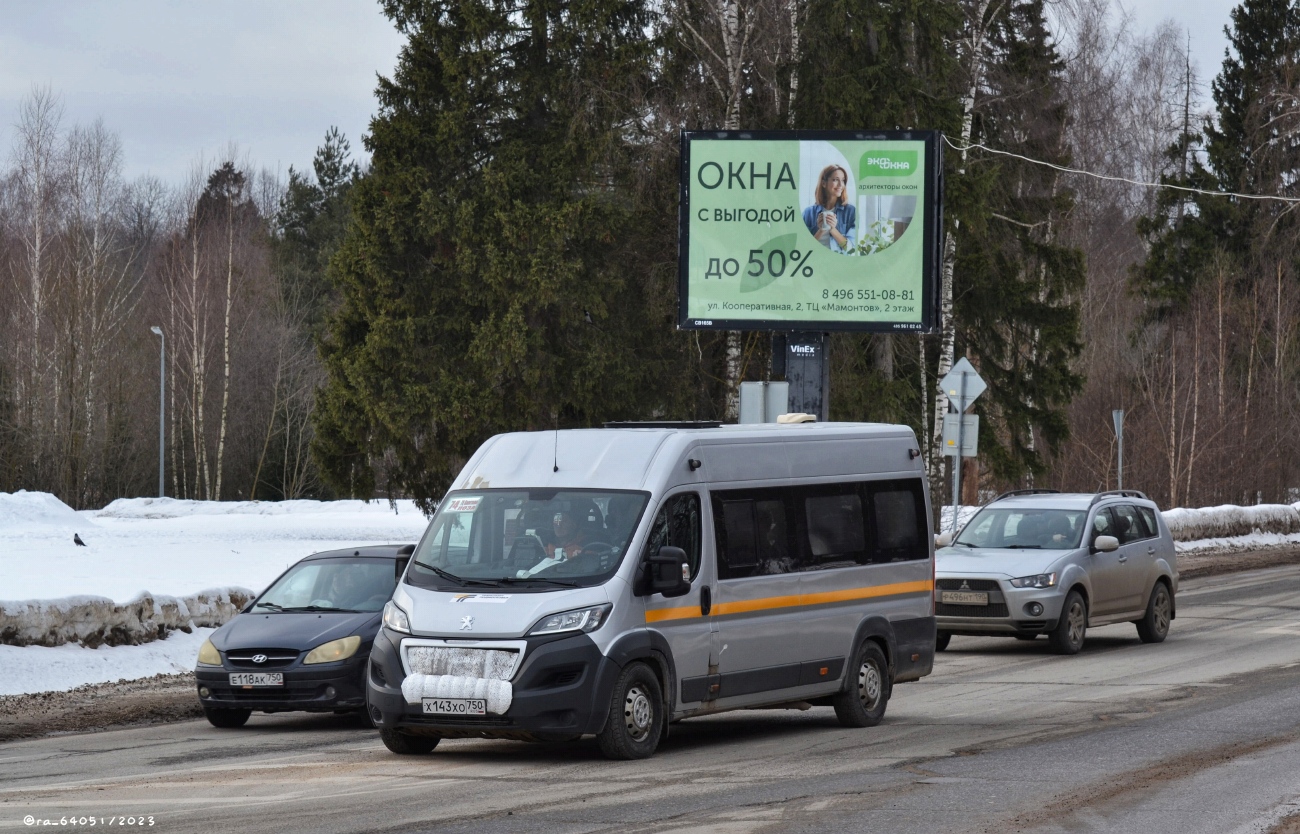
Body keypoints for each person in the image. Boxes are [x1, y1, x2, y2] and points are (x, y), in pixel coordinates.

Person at [802, 164, 857, 253]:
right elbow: (804, 248)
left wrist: (832, 229)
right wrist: (821, 230)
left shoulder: (851, 212)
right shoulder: (808, 213)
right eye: (835, 180)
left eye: (843, 180)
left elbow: (851, 249)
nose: (840, 185)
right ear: (824, 183)